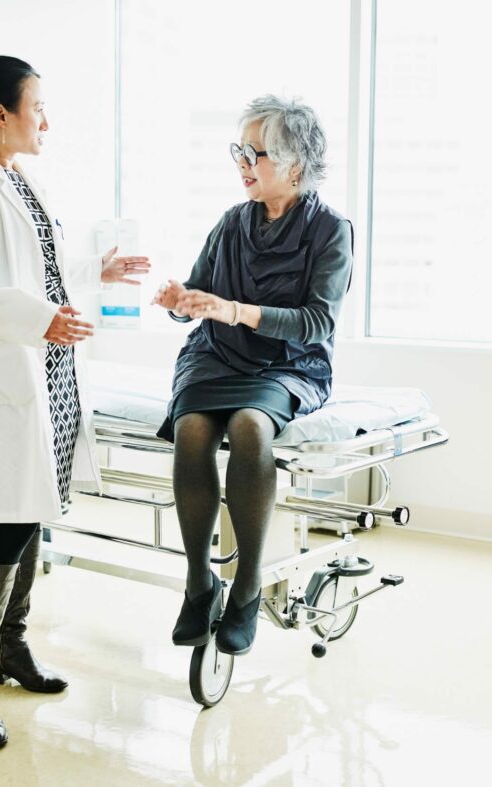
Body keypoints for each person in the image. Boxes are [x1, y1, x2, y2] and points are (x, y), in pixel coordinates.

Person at [0, 55, 149, 750]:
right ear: (0, 115)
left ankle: (12, 647)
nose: (46, 119)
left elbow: (36, 267)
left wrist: (92, 273)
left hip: (46, 366)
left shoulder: (18, 177)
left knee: (36, 509)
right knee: (12, 521)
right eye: (37, 107)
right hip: (5, 367)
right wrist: (35, 317)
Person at [151, 95, 352, 657]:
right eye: (238, 149)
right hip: (215, 354)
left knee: (250, 428)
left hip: (288, 363)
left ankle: (246, 586)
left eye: (254, 152)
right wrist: (179, 301)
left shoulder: (331, 230)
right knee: (191, 429)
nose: (242, 162)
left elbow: (318, 321)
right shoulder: (232, 222)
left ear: (294, 163)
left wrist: (235, 309)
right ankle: (199, 582)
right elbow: (198, 296)